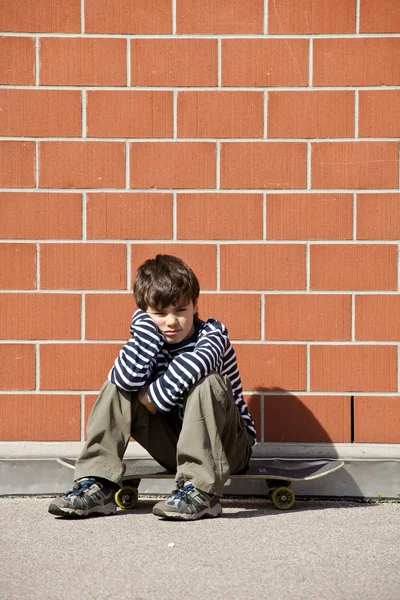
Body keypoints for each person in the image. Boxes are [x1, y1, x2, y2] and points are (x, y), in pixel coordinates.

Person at [48, 254, 256, 520]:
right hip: (177, 446)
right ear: (145, 313)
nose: (171, 322)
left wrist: (152, 399)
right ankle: (97, 484)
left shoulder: (213, 336)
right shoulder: (148, 340)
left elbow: (194, 366)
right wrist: (144, 334)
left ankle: (202, 492)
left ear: (195, 306)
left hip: (228, 448)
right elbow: (123, 379)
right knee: (118, 384)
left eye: (180, 310)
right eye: (159, 313)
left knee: (207, 382)